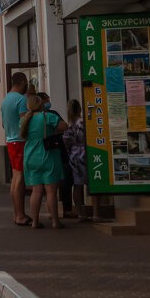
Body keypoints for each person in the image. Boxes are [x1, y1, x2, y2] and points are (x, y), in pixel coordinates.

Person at [21, 93, 69, 229]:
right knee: (51, 191)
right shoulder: (48, 116)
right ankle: (55, 222)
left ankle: (35, 222)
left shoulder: (24, 120)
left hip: (30, 157)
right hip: (48, 155)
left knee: (36, 191)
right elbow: (65, 127)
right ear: (41, 104)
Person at [1, 71, 30, 225]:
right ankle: (20, 216)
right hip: (20, 141)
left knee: (15, 178)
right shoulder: (21, 99)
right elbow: (24, 123)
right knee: (20, 179)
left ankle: (17, 213)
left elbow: (3, 124)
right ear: (23, 81)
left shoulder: (5, 100)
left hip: (10, 141)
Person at [41, 92, 76, 218]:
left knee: (49, 185)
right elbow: (64, 127)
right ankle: (65, 209)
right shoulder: (52, 115)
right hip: (57, 149)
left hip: (43, 152)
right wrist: (55, 130)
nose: (48, 103)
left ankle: (53, 211)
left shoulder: (32, 117)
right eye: (46, 100)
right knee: (63, 181)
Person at [63, 99, 90, 221]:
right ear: (79, 108)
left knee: (77, 186)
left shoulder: (69, 125)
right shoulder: (83, 123)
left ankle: (80, 213)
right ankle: (96, 212)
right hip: (85, 155)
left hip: (74, 157)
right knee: (91, 183)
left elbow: (66, 142)